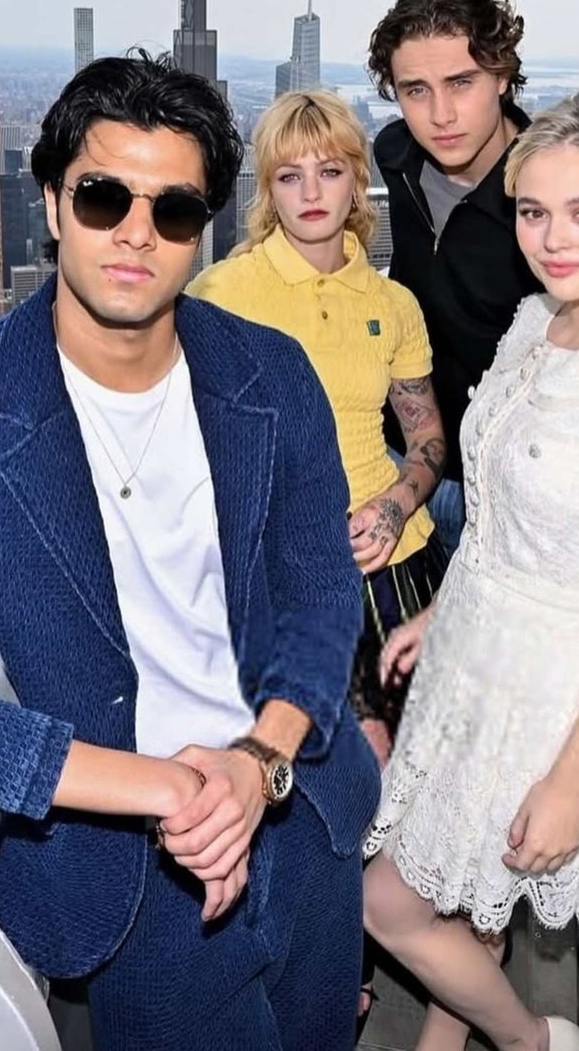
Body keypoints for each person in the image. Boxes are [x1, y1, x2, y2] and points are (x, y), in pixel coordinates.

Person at [0, 52, 380, 1051]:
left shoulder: (272, 374)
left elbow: (319, 599)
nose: (136, 231)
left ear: (204, 227)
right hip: (126, 875)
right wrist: (172, 788)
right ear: (50, 199)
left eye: (173, 209)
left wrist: (253, 762)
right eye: (103, 195)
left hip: (299, 815)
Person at [348, 90, 579, 1051]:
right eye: (533, 211)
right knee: (465, 890)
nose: (553, 238)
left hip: (557, 685)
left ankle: (524, 1045)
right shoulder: (536, 322)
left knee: (392, 899)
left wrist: (570, 780)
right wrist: (437, 611)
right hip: (475, 648)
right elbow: (492, 509)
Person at [188, 90, 447, 769]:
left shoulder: (392, 303)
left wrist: (395, 506)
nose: (311, 192)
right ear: (267, 189)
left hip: (398, 572)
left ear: (358, 181)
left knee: (421, 770)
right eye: (289, 175)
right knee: (314, 780)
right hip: (283, 579)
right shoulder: (219, 294)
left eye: (330, 172)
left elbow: (427, 442)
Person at [368, 0, 541, 559]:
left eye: (461, 83)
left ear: (501, 76)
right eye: (415, 89)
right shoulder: (395, 156)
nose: (440, 114)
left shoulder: (545, 196)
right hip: (402, 461)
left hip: (503, 495)